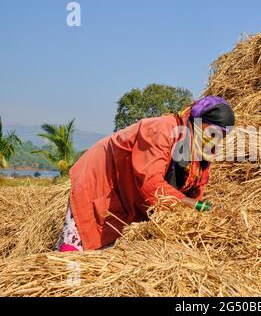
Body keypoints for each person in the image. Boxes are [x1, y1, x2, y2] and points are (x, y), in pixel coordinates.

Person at [55, 96, 235, 252]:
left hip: (130, 191)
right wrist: (196, 206)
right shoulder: (162, 130)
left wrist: (200, 214)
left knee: (112, 248)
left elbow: (197, 188)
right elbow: (151, 184)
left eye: (221, 136)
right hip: (102, 178)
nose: (215, 139)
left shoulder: (202, 149)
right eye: (212, 132)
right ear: (197, 122)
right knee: (82, 239)